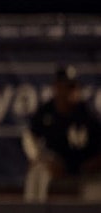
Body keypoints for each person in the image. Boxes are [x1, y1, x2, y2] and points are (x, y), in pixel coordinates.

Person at [22, 65, 101, 203]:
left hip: (85, 167)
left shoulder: (87, 113)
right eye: (67, 87)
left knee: (95, 186)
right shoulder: (46, 111)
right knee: (38, 172)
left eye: (73, 87)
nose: (71, 91)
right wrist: (37, 158)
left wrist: (95, 162)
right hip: (57, 164)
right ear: (56, 88)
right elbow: (30, 135)